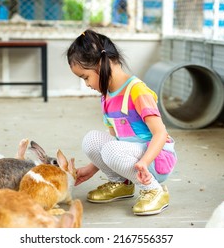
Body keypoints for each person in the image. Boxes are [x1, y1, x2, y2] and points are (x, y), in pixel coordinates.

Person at [66, 29, 177, 216]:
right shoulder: (107, 97)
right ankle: (122, 184)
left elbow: (160, 134)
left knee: (111, 149)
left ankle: (154, 190)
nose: (86, 84)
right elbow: (114, 141)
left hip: (154, 160)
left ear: (102, 64)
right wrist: (92, 168)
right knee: (91, 140)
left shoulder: (136, 90)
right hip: (131, 158)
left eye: (85, 77)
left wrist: (144, 162)